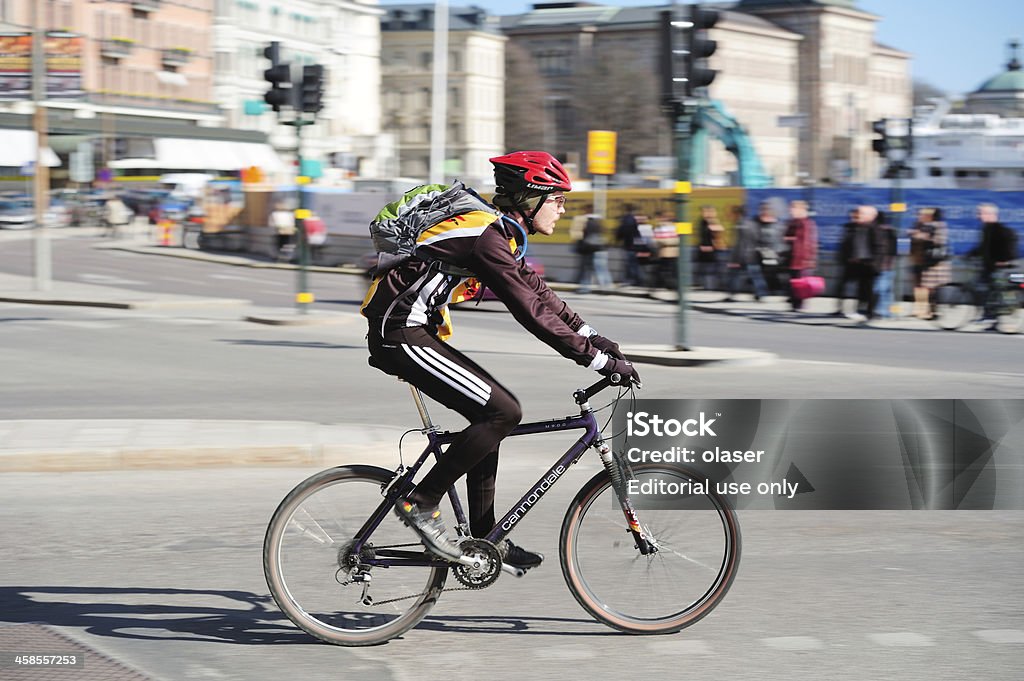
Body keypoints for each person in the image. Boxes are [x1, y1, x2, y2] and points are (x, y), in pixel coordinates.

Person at [361, 151, 640, 569]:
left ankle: (483, 537)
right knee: (502, 412)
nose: (563, 209)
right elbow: (529, 310)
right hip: (400, 332)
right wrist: (596, 362)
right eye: (558, 199)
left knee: (490, 417)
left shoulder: (499, 234)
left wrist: (595, 338)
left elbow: (541, 293)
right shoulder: (486, 237)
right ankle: (420, 502)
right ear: (531, 198)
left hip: (414, 330)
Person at [968, 202, 1019, 322]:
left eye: (980, 213)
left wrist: (1003, 261)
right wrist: (970, 255)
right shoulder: (988, 229)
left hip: (998, 266)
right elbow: (982, 247)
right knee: (984, 287)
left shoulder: (998, 230)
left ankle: (990, 314)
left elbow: (1007, 247)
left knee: (983, 288)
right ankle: (991, 316)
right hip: (990, 265)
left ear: (989, 214)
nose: (978, 216)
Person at [909, 207, 951, 319]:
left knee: (931, 288)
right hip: (920, 260)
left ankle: (932, 310)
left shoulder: (938, 226)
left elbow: (937, 240)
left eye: (924, 215)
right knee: (920, 287)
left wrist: (920, 236)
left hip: (933, 263)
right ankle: (922, 310)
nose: (920, 217)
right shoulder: (918, 225)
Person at [726, 205, 768, 300]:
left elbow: (739, 243)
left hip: (741, 256)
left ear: (737, 214)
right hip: (752, 255)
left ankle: (731, 294)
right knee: (756, 276)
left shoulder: (739, 225)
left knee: (734, 276)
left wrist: (734, 259)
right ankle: (761, 293)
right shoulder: (753, 224)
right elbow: (758, 239)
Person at [783, 200, 817, 310]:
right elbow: (786, 236)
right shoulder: (792, 222)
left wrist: (809, 259)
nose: (790, 211)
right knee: (794, 281)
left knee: (800, 282)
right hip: (792, 256)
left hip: (802, 258)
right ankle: (795, 302)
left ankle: (799, 303)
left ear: (801, 210)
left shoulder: (806, 223)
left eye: (793, 209)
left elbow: (808, 242)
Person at [577, 211, 613, 293]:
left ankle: (584, 288)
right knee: (603, 269)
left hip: (591, 250)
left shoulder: (588, 225)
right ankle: (607, 287)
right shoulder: (601, 226)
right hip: (602, 250)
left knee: (587, 270)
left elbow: (584, 237)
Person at [871, 210, 897, 319]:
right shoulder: (892, 232)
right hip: (889, 264)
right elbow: (896, 250)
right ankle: (888, 311)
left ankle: (881, 311)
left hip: (881, 264)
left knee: (880, 289)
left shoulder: (878, 231)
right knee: (887, 290)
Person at [695, 205, 726, 291]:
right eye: (703, 212)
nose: (704, 214)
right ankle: (707, 286)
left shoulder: (714, 222)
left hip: (714, 250)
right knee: (704, 269)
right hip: (704, 250)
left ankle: (715, 286)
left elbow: (718, 235)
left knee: (714, 269)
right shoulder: (702, 222)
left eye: (706, 212)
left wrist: (712, 246)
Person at [614, 203, 643, 286]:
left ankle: (632, 280)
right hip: (636, 244)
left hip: (629, 244)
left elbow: (623, 231)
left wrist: (617, 239)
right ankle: (637, 280)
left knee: (630, 263)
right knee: (634, 263)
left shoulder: (627, 219)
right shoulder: (635, 218)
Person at [651, 211, 680, 290]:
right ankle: (666, 284)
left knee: (671, 268)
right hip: (664, 251)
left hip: (671, 251)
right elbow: (654, 239)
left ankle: (671, 284)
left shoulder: (674, 226)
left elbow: (680, 238)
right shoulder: (658, 227)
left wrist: (662, 241)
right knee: (666, 268)